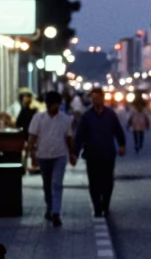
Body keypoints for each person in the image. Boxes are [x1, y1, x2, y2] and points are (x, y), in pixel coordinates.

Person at [74, 86, 126, 217]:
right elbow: (79, 135)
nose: (96, 100)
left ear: (103, 98)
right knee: (94, 183)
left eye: (98, 98)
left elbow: (118, 131)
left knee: (108, 182)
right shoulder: (86, 116)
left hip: (108, 154)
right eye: (93, 98)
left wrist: (122, 144)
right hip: (92, 155)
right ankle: (97, 207)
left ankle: (106, 205)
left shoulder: (110, 114)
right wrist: (75, 152)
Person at [27, 90, 77, 226]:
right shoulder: (38, 118)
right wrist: (31, 154)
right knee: (47, 184)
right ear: (48, 104)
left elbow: (69, 138)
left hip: (60, 155)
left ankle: (56, 212)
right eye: (54, 104)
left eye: (58, 104)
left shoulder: (65, 119)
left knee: (57, 184)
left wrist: (72, 154)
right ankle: (49, 207)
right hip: (43, 155)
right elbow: (32, 137)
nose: (57, 107)